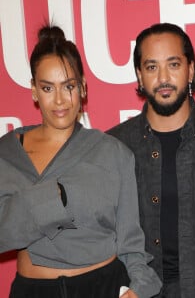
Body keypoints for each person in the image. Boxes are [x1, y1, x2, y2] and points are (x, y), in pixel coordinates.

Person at [0, 25, 162, 298]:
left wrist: (137, 291)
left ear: (83, 87)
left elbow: (130, 241)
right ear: (33, 90)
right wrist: (53, 198)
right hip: (33, 291)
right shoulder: (7, 152)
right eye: (48, 87)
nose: (60, 99)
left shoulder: (113, 153)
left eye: (69, 86)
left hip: (102, 286)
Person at [107, 23, 195, 298]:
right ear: (139, 76)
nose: (163, 77)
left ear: (191, 69)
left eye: (173, 64)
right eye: (152, 67)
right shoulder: (113, 147)